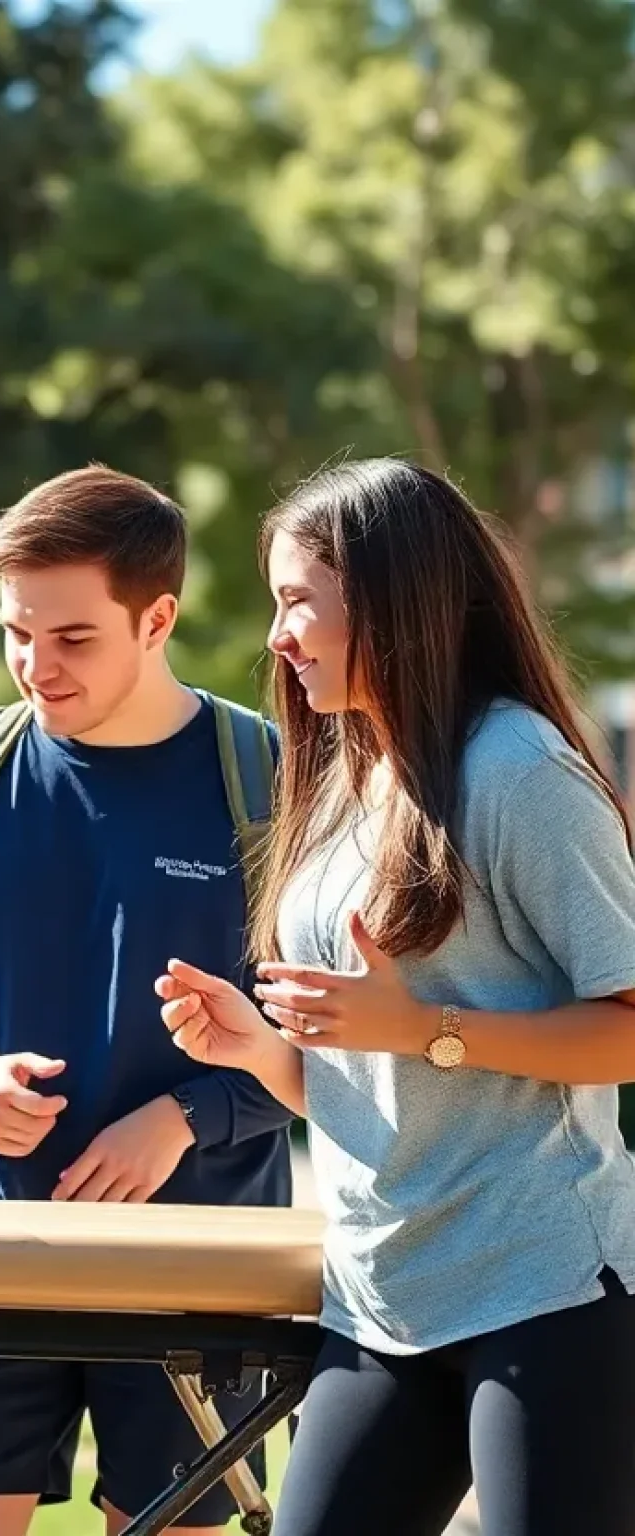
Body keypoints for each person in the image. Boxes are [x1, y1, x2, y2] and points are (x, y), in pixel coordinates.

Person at [157, 457, 635, 1536]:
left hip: (544, 1284)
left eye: (297, 602)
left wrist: (425, 1029)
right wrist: (264, 1052)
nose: (276, 635)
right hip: (379, 1294)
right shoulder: (345, 776)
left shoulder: (518, 770)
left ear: (390, 598)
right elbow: (377, 1074)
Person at [0, 464, 295, 1536]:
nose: (34, 666)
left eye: (72, 638)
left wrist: (187, 1119)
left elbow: (331, 1029)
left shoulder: (271, 781)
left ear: (159, 617)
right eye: (15, 632)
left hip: (203, 1262)